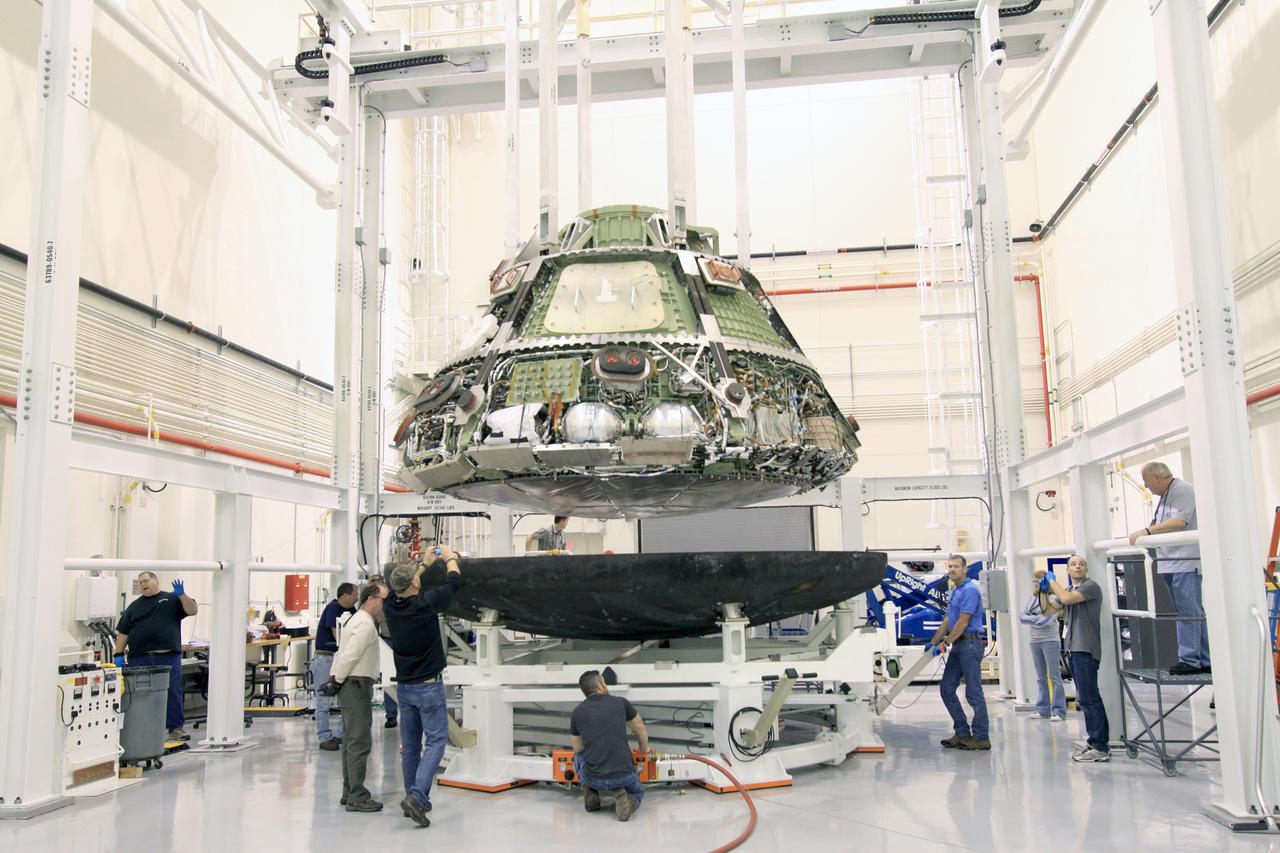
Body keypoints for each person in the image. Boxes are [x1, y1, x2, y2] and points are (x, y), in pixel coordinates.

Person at [384, 544, 462, 828]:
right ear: (416, 583)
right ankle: (417, 797)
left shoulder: (390, 605)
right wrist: (450, 558)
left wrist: (424, 565)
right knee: (437, 742)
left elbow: (402, 586)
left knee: (411, 746)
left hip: (405, 687)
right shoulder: (425, 604)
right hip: (428, 686)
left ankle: (413, 798)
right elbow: (454, 582)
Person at [1128, 462, 1210, 675]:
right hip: (1170, 561)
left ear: (1158, 477)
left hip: (1184, 561)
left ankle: (1191, 659)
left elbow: (1179, 521)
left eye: (1146, 482)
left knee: (1188, 612)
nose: (1146, 486)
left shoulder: (1182, 490)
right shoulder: (1166, 496)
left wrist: (1147, 530)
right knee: (1189, 611)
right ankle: (1204, 657)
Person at [1038, 555, 1110, 763]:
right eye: (1073, 564)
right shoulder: (1068, 590)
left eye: (1081, 564)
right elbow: (1049, 610)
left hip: (1085, 648)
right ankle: (1096, 741)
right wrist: (1043, 592)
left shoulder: (1090, 587)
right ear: (1068, 570)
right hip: (1073, 648)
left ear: (1086, 568)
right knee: (1086, 697)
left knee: (1089, 697)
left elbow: (1067, 600)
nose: (1077, 566)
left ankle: (1099, 746)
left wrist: (1051, 580)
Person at [326, 579, 390, 813]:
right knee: (359, 741)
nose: (385, 605)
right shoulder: (364, 624)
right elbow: (350, 656)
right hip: (355, 686)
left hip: (351, 684)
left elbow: (343, 653)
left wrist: (335, 679)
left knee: (351, 741)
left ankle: (348, 791)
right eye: (383, 599)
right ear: (371, 599)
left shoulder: (358, 620)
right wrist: (337, 680)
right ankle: (357, 796)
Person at [114, 572, 198, 741]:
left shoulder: (171, 599)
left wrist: (181, 594)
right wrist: (118, 654)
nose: (143, 584)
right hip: (140, 658)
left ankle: (175, 728)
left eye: (146, 580)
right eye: (140, 582)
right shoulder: (134, 606)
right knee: (138, 694)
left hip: (167, 657)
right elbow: (123, 631)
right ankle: (140, 728)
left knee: (173, 691)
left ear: (156, 581)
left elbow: (192, 610)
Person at [570, 670, 650, 822]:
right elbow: (641, 731)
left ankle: (590, 791)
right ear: (600, 685)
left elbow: (577, 748)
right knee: (638, 792)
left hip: (592, 777)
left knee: (578, 756)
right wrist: (643, 752)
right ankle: (625, 798)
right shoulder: (621, 703)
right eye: (604, 682)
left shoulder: (577, 712)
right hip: (625, 776)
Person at [930, 555, 990, 751]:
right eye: (949, 566)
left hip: (970, 644)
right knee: (946, 688)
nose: (952, 570)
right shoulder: (954, 589)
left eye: (956, 567)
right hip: (958, 645)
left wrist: (946, 642)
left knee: (973, 692)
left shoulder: (971, 590)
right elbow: (948, 620)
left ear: (965, 569)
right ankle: (963, 733)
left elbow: (963, 622)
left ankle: (981, 738)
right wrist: (933, 641)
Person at [311, 582, 357, 750]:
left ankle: (339, 734)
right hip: (326, 659)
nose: (357, 597)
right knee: (323, 701)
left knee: (347, 698)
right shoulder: (333, 609)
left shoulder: (352, 611)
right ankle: (324, 737)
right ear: (345, 595)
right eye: (355, 593)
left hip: (340, 658)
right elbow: (338, 635)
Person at [1021, 567, 1066, 721]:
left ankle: (1059, 710)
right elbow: (1022, 618)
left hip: (1050, 641)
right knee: (1040, 677)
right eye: (1033, 582)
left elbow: (1047, 621)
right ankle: (1043, 709)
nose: (1035, 584)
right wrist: (1036, 617)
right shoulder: (1030, 599)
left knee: (1054, 676)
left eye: (1038, 582)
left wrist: (1033, 618)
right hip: (1034, 641)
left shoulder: (1054, 600)